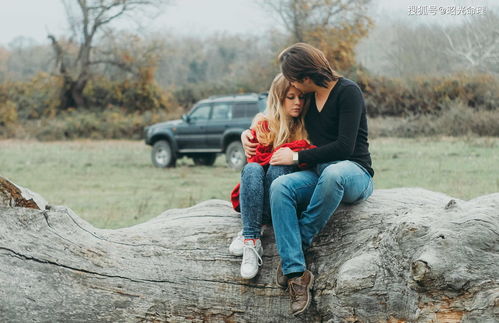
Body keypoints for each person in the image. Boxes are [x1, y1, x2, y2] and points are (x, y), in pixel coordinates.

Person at [242, 43, 374, 315]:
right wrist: (249, 132)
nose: (293, 86)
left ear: (305, 76)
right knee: (280, 186)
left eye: (293, 78)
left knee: (333, 173)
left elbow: (344, 147)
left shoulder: (348, 92)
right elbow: (275, 116)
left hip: (353, 172)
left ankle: (298, 243)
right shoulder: (308, 98)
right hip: (317, 172)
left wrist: (294, 159)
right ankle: (296, 274)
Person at [228, 73, 315, 280]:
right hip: (258, 194)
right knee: (251, 169)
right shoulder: (264, 124)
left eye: (301, 97)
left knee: (278, 168)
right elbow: (253, 158)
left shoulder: (307, 125)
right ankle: (251, 240)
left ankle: (252, 228)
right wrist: (245, 134)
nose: (298, 103)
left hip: (285, 199)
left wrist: (292, 156)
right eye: (291, 97)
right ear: (278, 98)